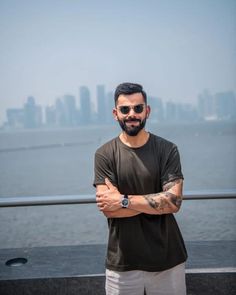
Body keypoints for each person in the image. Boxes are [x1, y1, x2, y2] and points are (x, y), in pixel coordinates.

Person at [94, 82, 187, 295]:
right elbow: (108, 208)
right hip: (122, 263)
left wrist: (122, 201)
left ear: (147, 110)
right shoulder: (104, 154)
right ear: (115, 113)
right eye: (125, 109)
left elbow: (173, 202)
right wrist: (157, 202)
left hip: (168, 260)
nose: (132, 114)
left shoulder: (167, 150)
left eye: (138, 108)